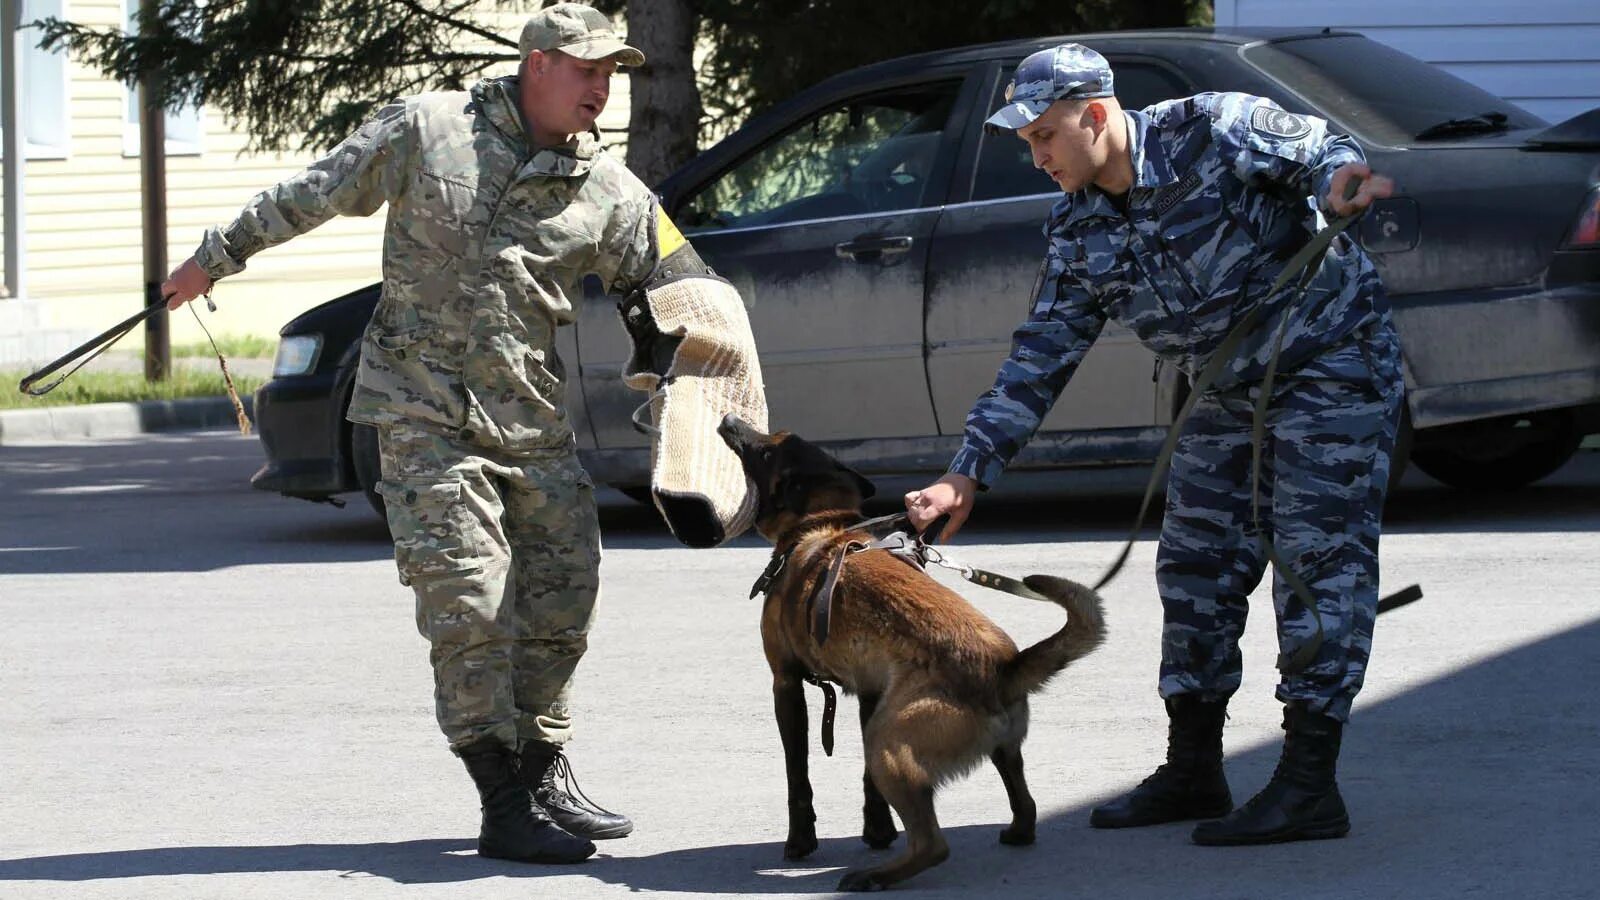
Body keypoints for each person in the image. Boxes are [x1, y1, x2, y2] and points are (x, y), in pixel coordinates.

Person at [162, 3, 695, 865]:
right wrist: (214, 258)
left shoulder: (606, 187)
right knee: (471, 603)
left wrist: (688, 341)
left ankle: (541, 765)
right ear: (537, 64)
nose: (602, 87)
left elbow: (676, 276)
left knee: (565, 596)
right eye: (587, 69)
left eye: (612, 74)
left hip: (529, 423)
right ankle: (500, 800)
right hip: (420, 419)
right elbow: (313, 192)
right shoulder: (429, 130)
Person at [903, 43, 1401, 846]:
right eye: (1027, 143)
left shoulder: (1212, 128)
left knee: (1316, 564)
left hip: (1328, 365)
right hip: (1225, 388)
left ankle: (1310, 783)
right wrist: (968, 474)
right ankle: (1195, 767)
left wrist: (1338, 183)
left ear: (1095, 116)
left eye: (1044, 138)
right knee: (1195, 562)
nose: (1036, 159)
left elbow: (1321, 152)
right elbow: (1040, 354)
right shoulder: (1078, 228)